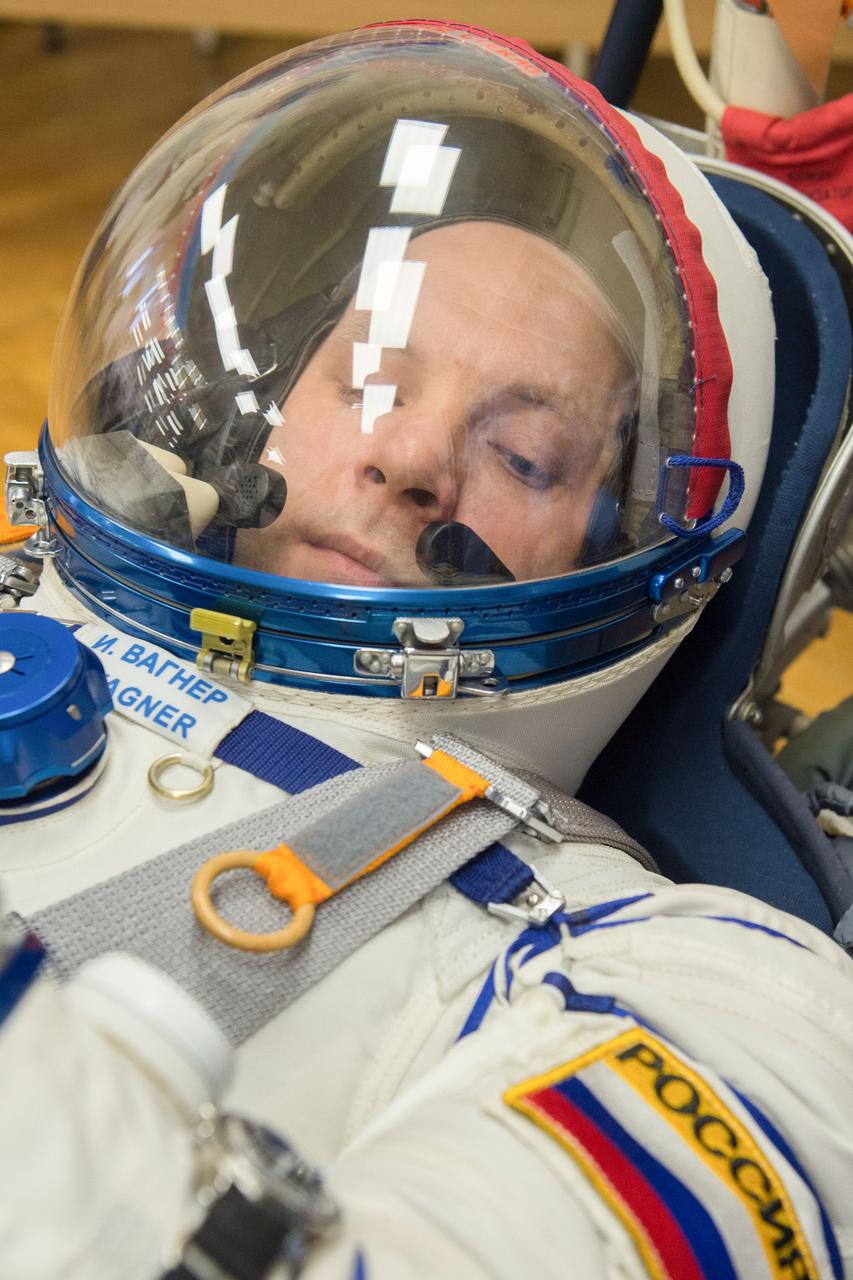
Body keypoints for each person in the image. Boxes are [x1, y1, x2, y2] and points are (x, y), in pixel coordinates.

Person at [2, 18, 852, 1279]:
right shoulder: (33, 525)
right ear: (272, 397)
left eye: (523, 454)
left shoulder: (703, 986)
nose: (407, 458)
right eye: (370, 376)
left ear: (618, 532)